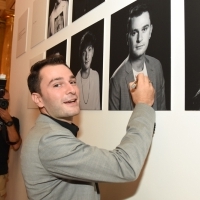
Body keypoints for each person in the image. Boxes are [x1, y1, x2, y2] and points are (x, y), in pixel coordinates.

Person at [21, 55, 155, 200]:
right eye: (57, 85)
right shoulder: (49, 141)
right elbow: (125, 167)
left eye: (72, 81)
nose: (71, 89)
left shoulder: (44, 131)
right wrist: (143, 104)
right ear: (38, 99)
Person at [109, 3, 166, 110]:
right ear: (127, 38)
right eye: (134, 32)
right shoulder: (116, 80)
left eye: (144, 29)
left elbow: (162, 112)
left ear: (150, 31)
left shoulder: (157, 66)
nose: (140, 38)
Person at [0, 90, 21, 200]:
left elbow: (16, 145)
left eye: (6, 101)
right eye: (1, 100)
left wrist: (8, 122)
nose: (4, 103)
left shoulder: (13, 121)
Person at [76, 31, 100, 110]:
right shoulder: (76, 79)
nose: (87, 57)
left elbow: (97, 106)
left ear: (93, 51)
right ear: (80, 55)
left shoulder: (95, 75)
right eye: (84, 52)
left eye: (89, 50)